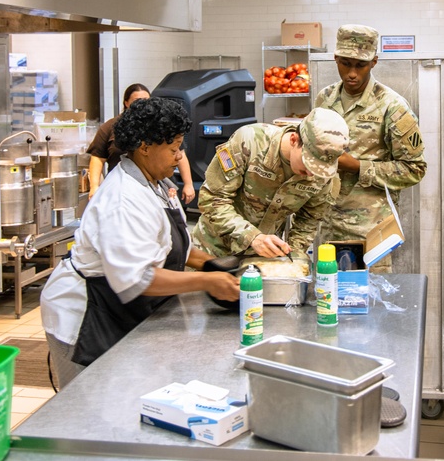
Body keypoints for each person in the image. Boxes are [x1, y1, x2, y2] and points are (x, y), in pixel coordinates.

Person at [41, 97, 239, 389]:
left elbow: (163, 245)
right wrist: (206, 281)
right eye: (173, 148)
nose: (179, 156)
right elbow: (137, 278)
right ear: (145, 147)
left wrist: (206, 262)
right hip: (85, 317)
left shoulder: (157, 183)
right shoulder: (123, 199)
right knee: (84, 410)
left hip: (118, 308)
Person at [314, 24, 426, 271]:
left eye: (360, 65)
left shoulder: (391, 106)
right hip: (328, 224)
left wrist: (357, 167)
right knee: (327, 296)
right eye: (345, 63)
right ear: (335, 59)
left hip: (369, 230)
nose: (352, 73)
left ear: (374, 62)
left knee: (371, 302)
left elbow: (414, 169)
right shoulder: (325, 99)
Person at [191, 107, 349, 259]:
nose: (311, 173)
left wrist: (292, 256)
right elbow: (211, 200)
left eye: (320, 168)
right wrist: (252, 237)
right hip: (211, 250)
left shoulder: (325, 176)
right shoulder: (250, 141)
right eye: (309, 163)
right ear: (294, 140)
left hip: (263, 259)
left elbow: (310, 219)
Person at [87, 83, 195, 203]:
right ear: (126, 102)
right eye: (138, 101)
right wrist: (94, 186)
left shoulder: (162, 128)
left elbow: (181, 154)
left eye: (147, 100)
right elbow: (97, 157)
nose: (143, 105)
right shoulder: (124, 199)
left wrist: (188, 183)